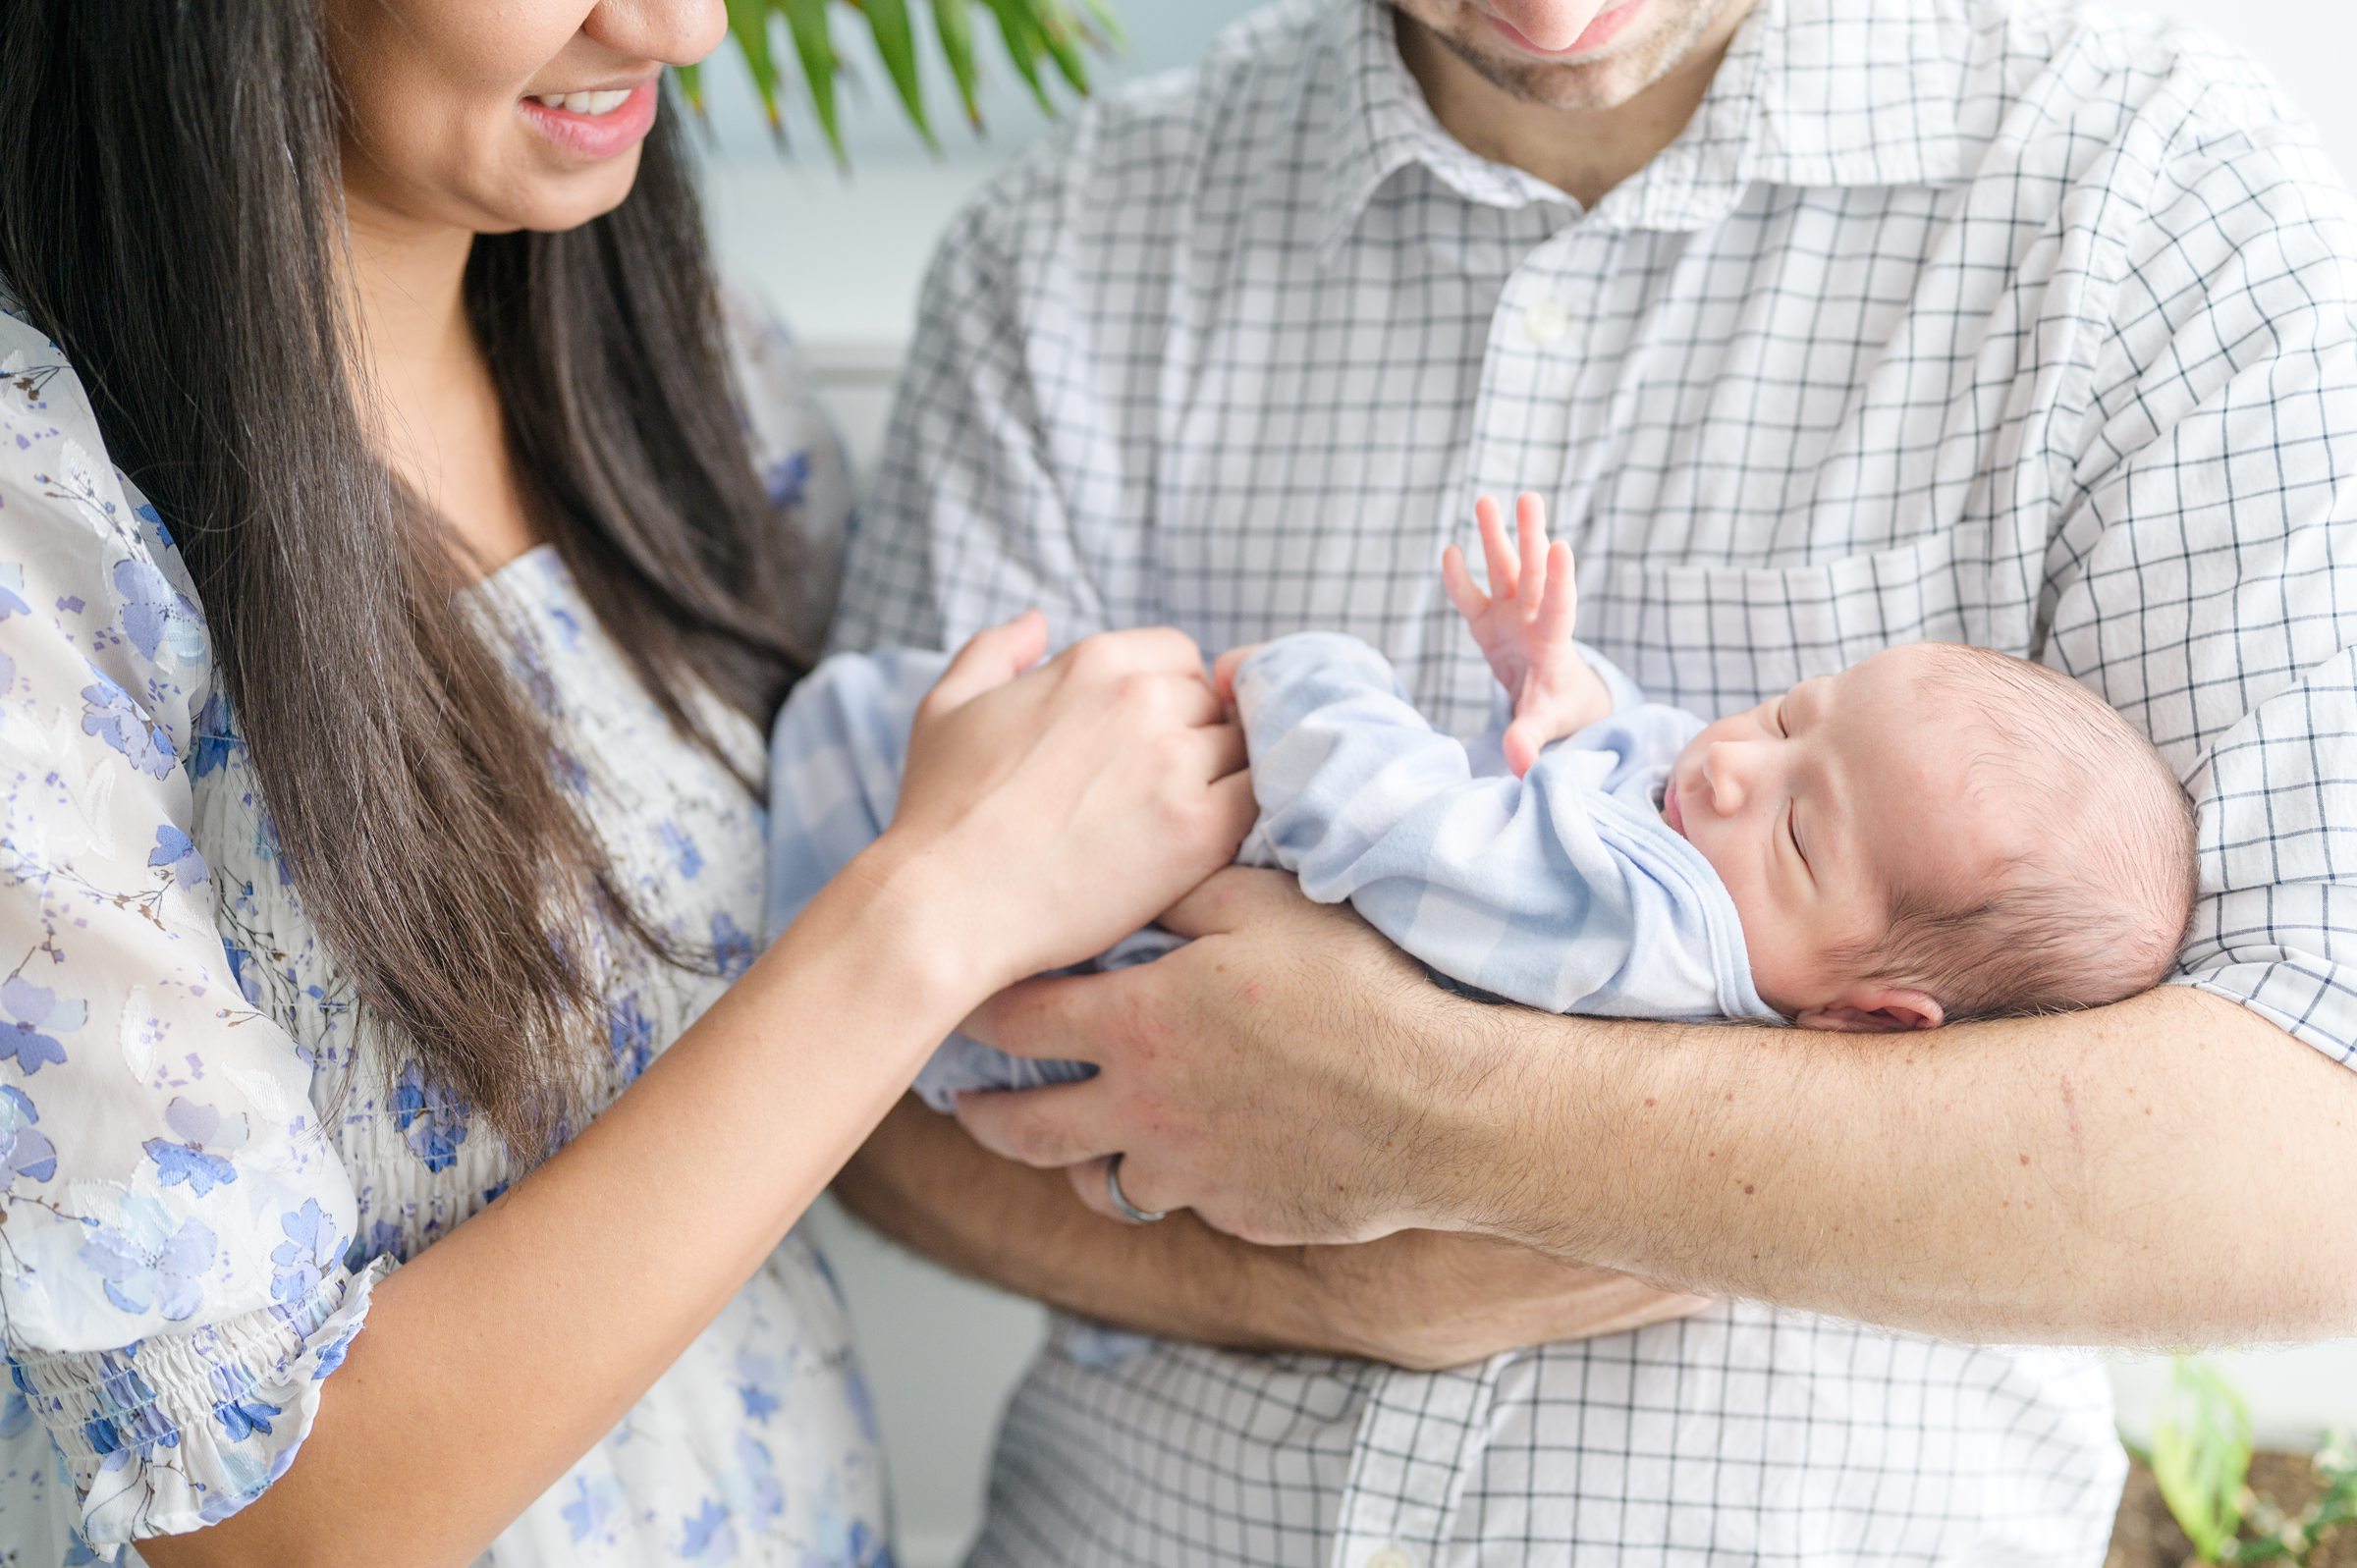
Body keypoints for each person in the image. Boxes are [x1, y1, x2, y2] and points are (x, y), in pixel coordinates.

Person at [0, 5, 1615, 1565]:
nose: (684, 31)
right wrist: (935, 907)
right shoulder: (42, 530)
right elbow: (266, 1524)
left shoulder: (685, 358)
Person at [827, 0, 2357, 1562]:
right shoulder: (1065, 244)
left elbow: (2323, 1158)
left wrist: (1456, 1128)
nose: (1553, 20)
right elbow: (847, 1074)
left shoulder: (2152, 200)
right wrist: (1304, 1282)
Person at [772, 492, 2195, 1114]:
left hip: (1086, 974)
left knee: (874, 787)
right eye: (1784, 713)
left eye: (1803, 827)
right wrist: (1555, 687)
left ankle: (777, 831)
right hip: (1089, 940)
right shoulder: (1723, 898)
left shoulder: (1651, 936)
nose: (1731, 767)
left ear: (1869, 1014)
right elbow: (1622, 776)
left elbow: (1401, 834)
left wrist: (1305, 680)